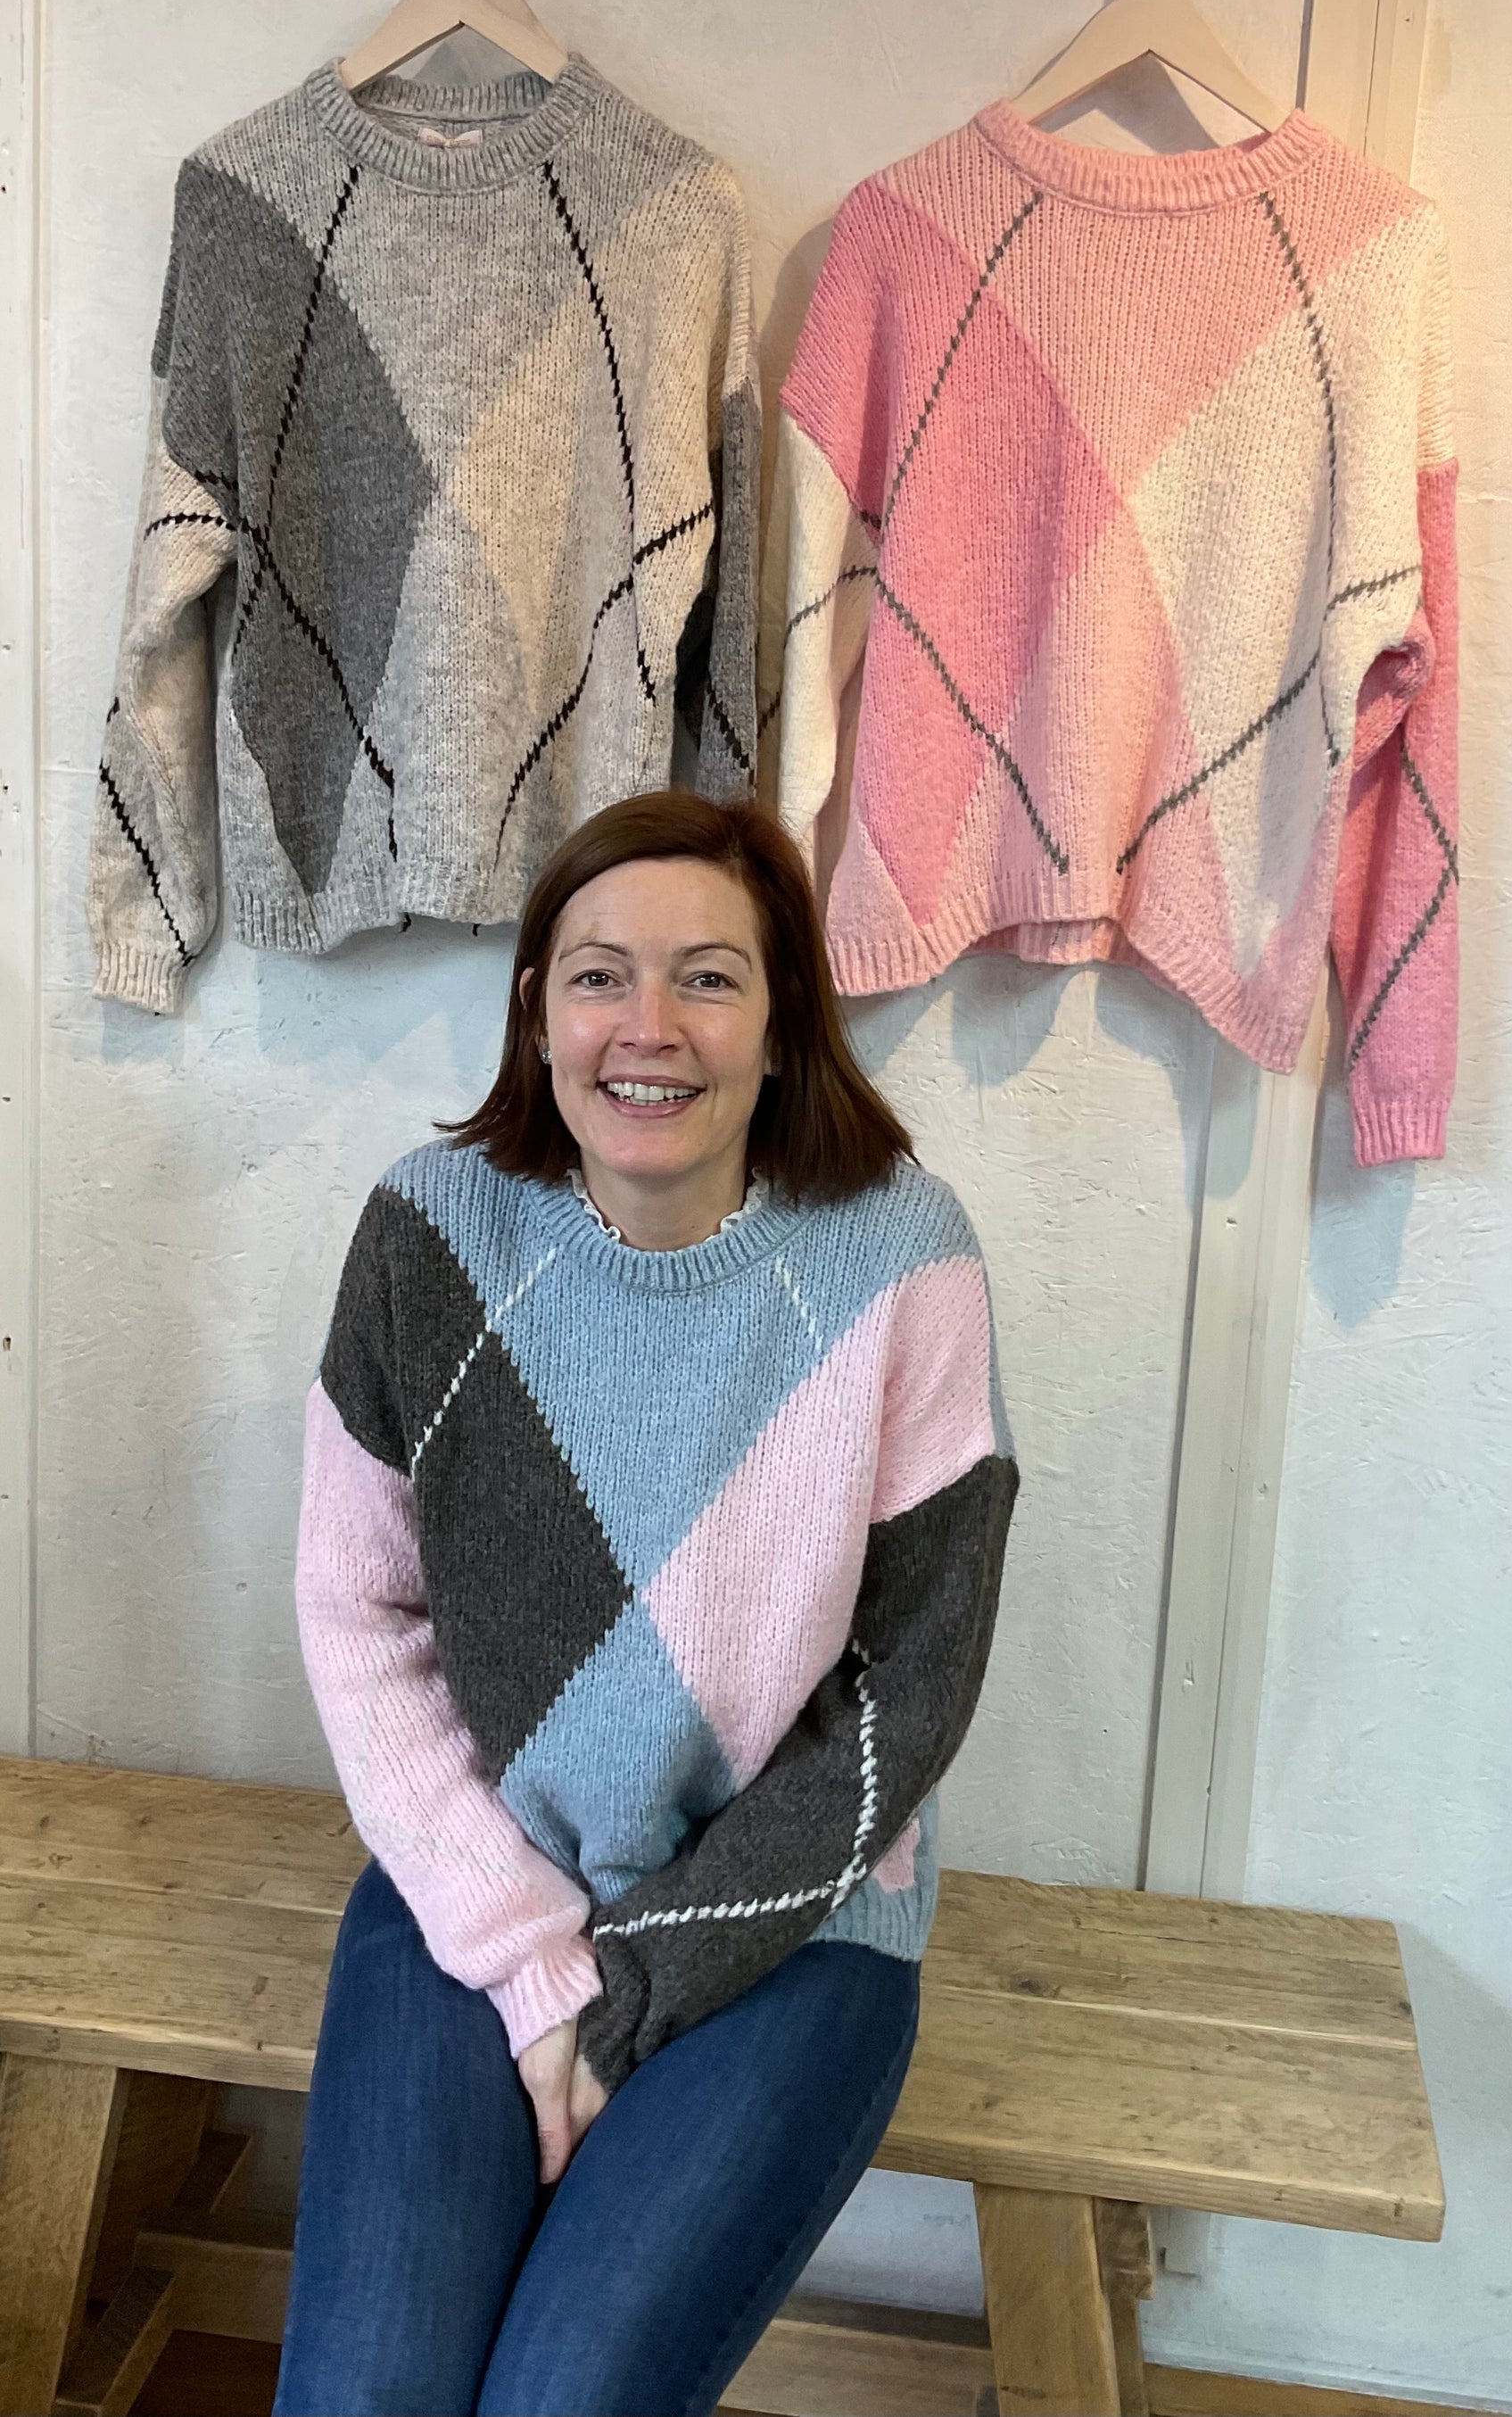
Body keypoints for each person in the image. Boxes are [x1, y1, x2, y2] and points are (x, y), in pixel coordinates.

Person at [276, 790, 1019, 2417]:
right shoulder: (427, 1235)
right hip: (474, 1886)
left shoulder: (903, 1259)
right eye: (599, 974)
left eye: (709, 977)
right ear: (535, 1010)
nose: (649, 1026)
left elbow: (911, 1684)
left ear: (783, 1023)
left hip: (795, 1929)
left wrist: (628, 2000)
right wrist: (532, 1959)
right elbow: (358, 1616)